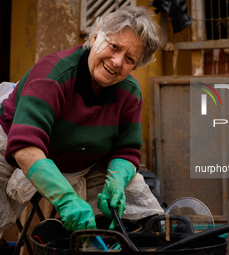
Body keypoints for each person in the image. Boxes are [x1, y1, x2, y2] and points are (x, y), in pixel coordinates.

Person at [0, 6, 163, 239]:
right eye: (114, 47)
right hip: (14, 149)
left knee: (141, 216)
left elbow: (127, 150)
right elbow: (25, 146)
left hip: (84, 160)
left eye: (129, 59)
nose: (117, 62)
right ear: (96, 37)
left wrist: (117, 179)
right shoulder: (53, 74)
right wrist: (66, 199)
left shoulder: (130, 92)